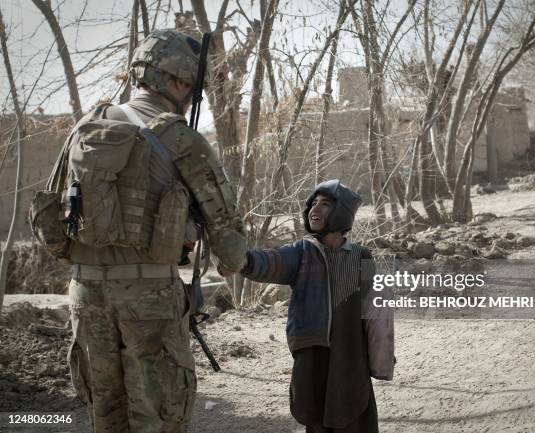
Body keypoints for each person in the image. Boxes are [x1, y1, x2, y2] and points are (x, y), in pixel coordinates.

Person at [65, 29, 247, 433]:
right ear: (179, 81)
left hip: (84, 297)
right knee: (160, 419)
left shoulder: (85, 128)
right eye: (192, 89)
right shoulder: (181, 138)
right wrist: (228, 258)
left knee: (107, 418)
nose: (192, 97)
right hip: (149, 302)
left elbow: (53, 215)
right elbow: (230, 241)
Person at [221, 179, 395, 433]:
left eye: (325, 204)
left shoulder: (360, 258)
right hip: (313, 357)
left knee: (356, 418)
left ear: (342, 212)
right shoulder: (301, 253)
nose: (315, 209)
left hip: (351, 358)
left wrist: (381, 363)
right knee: (316, 419)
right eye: (313, 204)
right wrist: (241, 261)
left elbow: (379, 315)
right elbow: (271, 261)